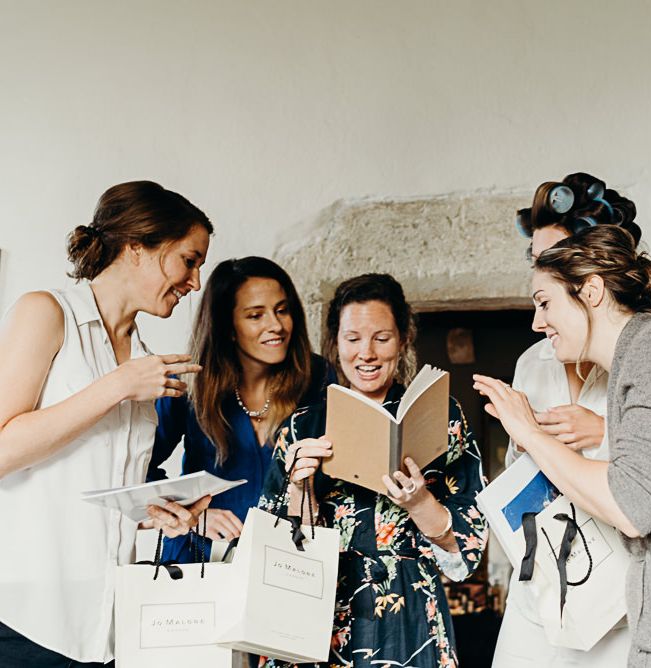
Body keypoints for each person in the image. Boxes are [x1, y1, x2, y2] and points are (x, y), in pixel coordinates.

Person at [474, 225, 651, 667]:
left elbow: (631, 506)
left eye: (545, 302)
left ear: (591, 291)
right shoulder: (643, 351)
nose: (537, 322)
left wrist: (531, 433)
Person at [0, 181, 214, 667]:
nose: (195, 282)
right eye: (189, 259)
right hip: (23, 618)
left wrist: (153, 508)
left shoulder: (142, 358)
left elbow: (93, 483)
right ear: (138, 247)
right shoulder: (46, 312)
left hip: (107, 629)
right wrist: (116, 386)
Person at [259, 273, 487, 668]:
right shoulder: (302, 426)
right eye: (352, 339)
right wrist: (300, 488)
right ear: (334, 343)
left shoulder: (442, 418)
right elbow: (272, 546)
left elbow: (465, 549)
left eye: (381, 338)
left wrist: (418, 502)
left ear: (403, 340)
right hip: (320, 606)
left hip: (409, 613)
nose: (366, 353)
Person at [493, 173, 638, 666]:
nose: (540, 273)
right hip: (542, 578)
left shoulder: (648, 351)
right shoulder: (533, 360)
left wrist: (604, 431)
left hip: (617, 590)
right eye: (535, 260)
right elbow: (518, 468)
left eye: (552, 260)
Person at [148, 256, 334, 563]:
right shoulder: (186, 381)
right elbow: (140, 470)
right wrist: (193, 514)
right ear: (228, 327)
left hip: (286, 564)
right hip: (199, 561)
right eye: (255, 315)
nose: (276, 326)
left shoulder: (317, 377)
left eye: (282, 310)